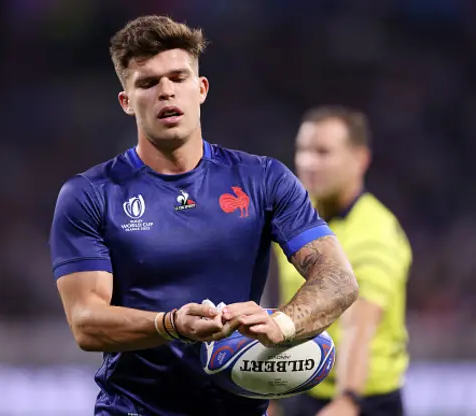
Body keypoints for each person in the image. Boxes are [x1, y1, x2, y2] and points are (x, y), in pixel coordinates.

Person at [48, 16, 359, 416]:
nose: (166, 92)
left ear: (201, 88)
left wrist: (282, 324)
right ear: (126, 101)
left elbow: (339, 279)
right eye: (147, 83)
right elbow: (86, 323)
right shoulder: (89, 195)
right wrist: (171, 324)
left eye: (178, 77)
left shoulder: (262, 179)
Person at [274, 106, 412, 416]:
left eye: (323, 152)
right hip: (302, 391)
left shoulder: (376, 233)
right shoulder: (295, 220)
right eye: (303, 150)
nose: (308, 162)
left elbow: (359, 326)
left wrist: (348, 401)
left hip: (365, 400)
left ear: (359, 159)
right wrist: (271, 393)